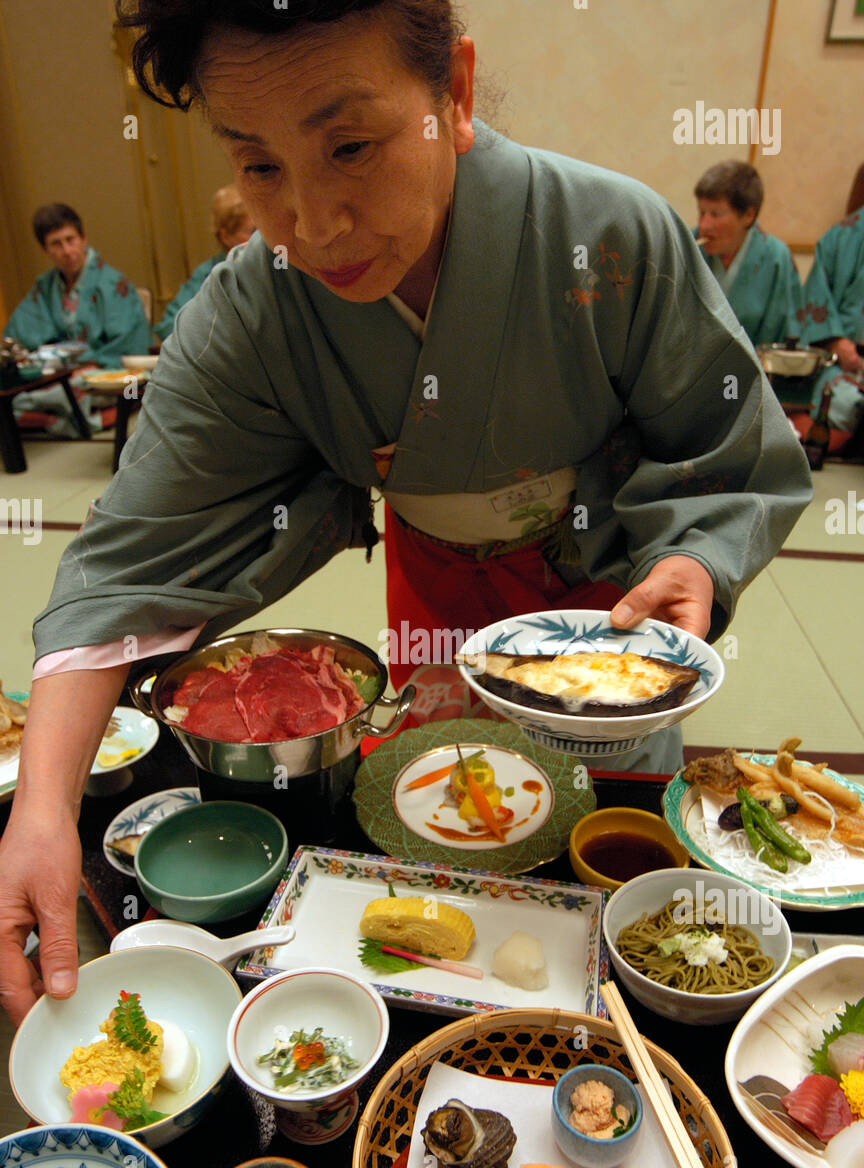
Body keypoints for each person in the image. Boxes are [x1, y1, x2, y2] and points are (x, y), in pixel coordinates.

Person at [0, 0, 812, 1025]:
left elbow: (724, 442)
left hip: (609, 609)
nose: (311, 220)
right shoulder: (258, 303)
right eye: (258, 166)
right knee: (448, 827)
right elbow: (128, 554)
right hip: (434, 581)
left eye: (350, 145)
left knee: (600, 863)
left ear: (455, 95)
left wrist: (699, 559)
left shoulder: (608, 238)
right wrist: (38, 809)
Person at [4, 202, 151, 435]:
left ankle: (72, 422)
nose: (66, 251)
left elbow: (132, 344)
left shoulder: (114, 284)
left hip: (116, 377)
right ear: (45, 249)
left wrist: (94, 364)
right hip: (65, 377)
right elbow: (19, 334)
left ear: (83, 238)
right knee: (13, 399)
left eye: (70, 240)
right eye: (56, 244)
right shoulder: (45, 287)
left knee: (118, 391)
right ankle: (75, 420)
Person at [694, 161, 802, 348]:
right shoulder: (687, 246)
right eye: (701, 213)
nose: (704, 225)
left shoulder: (776, 258)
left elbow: (787, 335)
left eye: (715, 214)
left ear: (748, 216)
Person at [155, 184, 255, 340]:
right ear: (225, 236)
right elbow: (169, 326)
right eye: (252, 232)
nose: (261, 238)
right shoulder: (207, 273)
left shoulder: (279, 264)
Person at [798, 210, 864, 431]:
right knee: (840, 404)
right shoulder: (840, 237)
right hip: (843, 363)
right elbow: (815, 301)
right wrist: (837, 343)